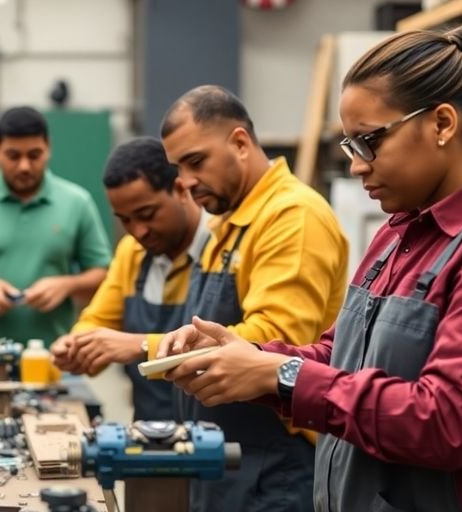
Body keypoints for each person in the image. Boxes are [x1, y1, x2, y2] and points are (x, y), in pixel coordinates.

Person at [161, 25, 462, 512]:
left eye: (369, 141)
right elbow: (341, 352)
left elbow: (445, 421)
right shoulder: (400, 232)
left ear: (443, 124)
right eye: (350, 146)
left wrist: (281, 375)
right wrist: (251, 355)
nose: (357, 166)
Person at [155, 85, 350, 512]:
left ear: (240, 142)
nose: (185, 183)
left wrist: (161, 350)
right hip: (224, 458)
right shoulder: (229, 223)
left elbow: (275, 343)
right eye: (178, 169)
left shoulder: (293, 216)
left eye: (195, 162)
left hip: (271, 467)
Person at [51, 137, 208, 512]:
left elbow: (251, 343)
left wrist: (139, 345)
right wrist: (75, 344)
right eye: (124, 220)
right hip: (148, 449)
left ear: (180, 189)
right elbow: (97, 319)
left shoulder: (219, 252)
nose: (137, 230)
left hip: (219, 451)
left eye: (148, 213)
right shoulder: (134, 254)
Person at [0, 107, 112, 344]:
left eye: (34, 155)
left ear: (48, 148)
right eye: (14, 156)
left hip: (55, 354)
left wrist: (67, 285)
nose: (24, 166)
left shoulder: (77, 203)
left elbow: (103, 273)